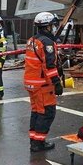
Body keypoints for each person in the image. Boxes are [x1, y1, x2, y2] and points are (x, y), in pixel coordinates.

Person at [24, 12, 63, 152]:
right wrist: (57, 83)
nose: (54, 28)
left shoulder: (32, 40)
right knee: (47, 113)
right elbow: (50, 66)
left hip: (31, 83)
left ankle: (34, 139)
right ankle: (38, 143)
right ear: (48, 26)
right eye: (53, 25)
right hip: (42, 85)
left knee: (36, 112)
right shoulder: (47, 42)